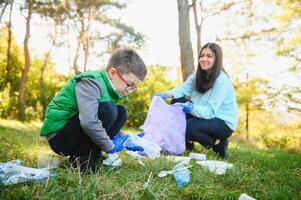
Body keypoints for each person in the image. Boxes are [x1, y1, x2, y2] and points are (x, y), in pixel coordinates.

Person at [40, 48, 147, 172]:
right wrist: (110, 146)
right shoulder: (91, 82)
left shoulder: (112, 90)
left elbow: (104, 122)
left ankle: (93, 154)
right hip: (60, 137)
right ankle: (80, 158)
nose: (130, 90)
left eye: (134, 87)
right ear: (112, 73)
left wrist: (126, 139)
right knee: (108, 110)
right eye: (129, 84)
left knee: (121, 111)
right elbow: (89, 121)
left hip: (75, 131)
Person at [154, 43, 238, 159]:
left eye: (209, 56)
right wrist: (167, 94)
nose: (204, 59)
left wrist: (192, 108)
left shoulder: (222, 81)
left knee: (188, 128)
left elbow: (210, 112)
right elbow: (184, 89)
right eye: (202, 55)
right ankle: (186, 144)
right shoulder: (198, 74)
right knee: (176, 101)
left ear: (217, 59)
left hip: (222, 121)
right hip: (203, 112)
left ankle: (218, 143)